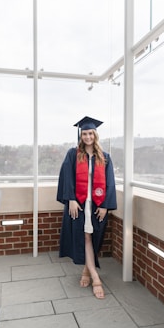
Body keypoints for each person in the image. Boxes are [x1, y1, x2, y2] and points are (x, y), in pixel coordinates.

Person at [57, 116, 117, 299]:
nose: (88, 137)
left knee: (92, 237)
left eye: (91, 133)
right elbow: (66, 176)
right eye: (84, 133)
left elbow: (111, 183)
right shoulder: (73, 154)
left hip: (97, 204)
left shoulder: (104, 157)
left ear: (95, 135)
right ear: (80, 135)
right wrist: (71, 200)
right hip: (80, 204)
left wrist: (106, 205)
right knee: (86, 238)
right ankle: (96, 277)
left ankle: (86, 272)